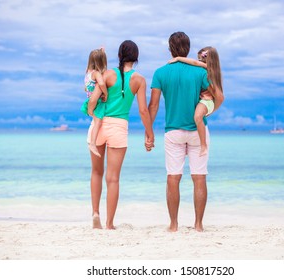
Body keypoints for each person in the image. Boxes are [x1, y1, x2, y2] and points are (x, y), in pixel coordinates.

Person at [148, 32, 224, 232]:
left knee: (173, 177)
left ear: (170, 49)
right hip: (198, 130)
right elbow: (218, 96)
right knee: (199, 177)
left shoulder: (160, 73)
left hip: (173, 131)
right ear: (188, 49)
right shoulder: (201, 73)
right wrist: (210, 110)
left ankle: (173, 225)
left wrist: (149, 131)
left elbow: (153, 105)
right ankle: (198, 225)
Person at [87, 40, 154, 230]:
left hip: (100, 125)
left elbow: (93, 100)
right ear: (136, 58)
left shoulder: (107, 74)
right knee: (113, 178)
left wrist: (92, 113)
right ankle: (109, 224)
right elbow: (143, 110)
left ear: (119, 56)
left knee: (96, 172)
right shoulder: (139, 80)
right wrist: (149, 134)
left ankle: (95, 213)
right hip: (119, 128)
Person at [169, 46, 223, 156]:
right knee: (197, 117)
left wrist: (178, 58)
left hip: (206, 101)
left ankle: (203, 145)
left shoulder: (207, 67)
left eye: (201, 59)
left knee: (197, 117)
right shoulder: (209, 71)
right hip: (205, 102)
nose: (199, 61)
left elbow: (194, 63)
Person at [80, 48, 108, 157]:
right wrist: (105, 93)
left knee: (96, 121)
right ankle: (92, 143)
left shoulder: (87, 72)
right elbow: (101, 84)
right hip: (97, 102)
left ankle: (92, 143)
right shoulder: (96, 73)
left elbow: (86, 87)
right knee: (98, 122)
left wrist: (101, 51)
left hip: (89, 99)